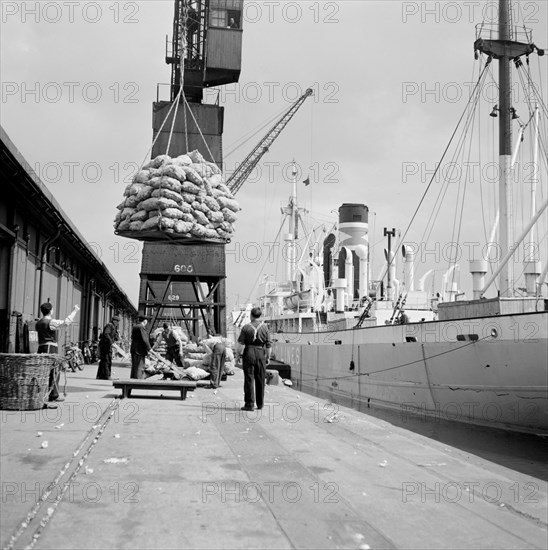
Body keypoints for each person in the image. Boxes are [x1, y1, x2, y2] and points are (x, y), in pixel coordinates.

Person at [36, 302, 80, 407]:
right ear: (51, 310)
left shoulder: (38, 323)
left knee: (46, 372)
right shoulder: (50, 322)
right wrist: (75, 311)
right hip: (50, 348)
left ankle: (51, 394)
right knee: (54, 371)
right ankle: (52, 396)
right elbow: (66, 323)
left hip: (41, 347)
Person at [235, 307, 271, 411]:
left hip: (249, 352)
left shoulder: (246, 327)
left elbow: (241, 344)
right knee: (260, 379)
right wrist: (268, 357)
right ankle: (260, 404)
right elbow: (268, 345)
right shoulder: (265, 327)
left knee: (249, 379)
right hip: (260, 353)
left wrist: (238, 355)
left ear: (251, 315)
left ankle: (249, 405)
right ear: (260, 316)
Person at [96, 316, 120, 380]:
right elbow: (106, 334)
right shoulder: (110, 325)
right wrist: (111, 342)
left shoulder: (113, 327)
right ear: (114, 321)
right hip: (105, 346)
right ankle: (107, 376)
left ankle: (100, 376)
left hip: (107, 345)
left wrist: (116, 337)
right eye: (117, 322)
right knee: (107, 360)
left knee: (104, 360)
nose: (118, 323)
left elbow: (114, 335)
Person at [130, 314, 152, 379]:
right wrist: (149, 348)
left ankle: (133, 379)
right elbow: (145, 339)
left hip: (134, 349)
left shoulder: (135, 327)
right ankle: (138, 380)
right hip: (139, 350)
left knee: (134, 366)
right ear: (145, 321)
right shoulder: (141, 327)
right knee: (140, 366)